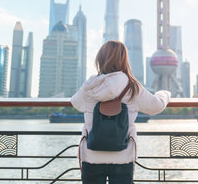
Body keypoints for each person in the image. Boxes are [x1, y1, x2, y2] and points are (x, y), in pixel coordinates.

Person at [71, 40, 171, 184]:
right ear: (124, 60)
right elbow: (155, 106)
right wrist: (164, 93)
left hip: (92, 155)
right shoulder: (132, 87)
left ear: (100, 59)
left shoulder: (90, 86)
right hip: (122, 156)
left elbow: (76, 103)